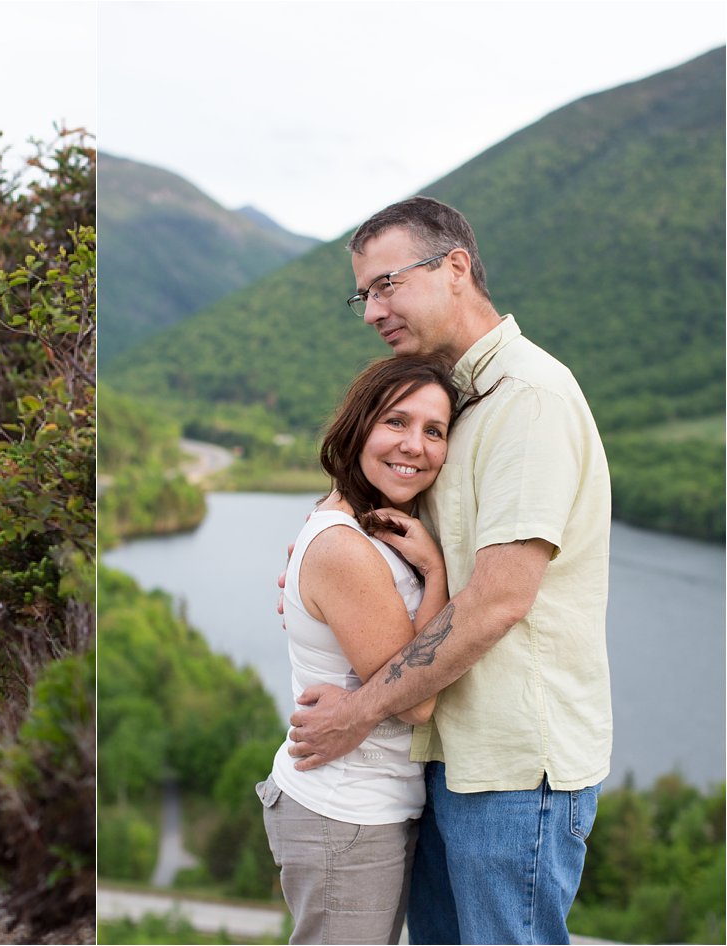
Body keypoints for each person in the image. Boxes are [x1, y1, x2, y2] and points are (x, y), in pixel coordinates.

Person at [286, 197, 612, 944]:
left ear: (456, 267)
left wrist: (358, 711)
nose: (372, 309)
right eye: (363, 293)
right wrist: (318, 548)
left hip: (513, 769)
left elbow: (500, 600)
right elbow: (377, 474)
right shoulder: (460, 395)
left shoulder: (527, 397)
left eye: (387, 284)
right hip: (447, 759)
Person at [260, 353, 476, 944]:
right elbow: (415, 704)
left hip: (365, 810)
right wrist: (435, 573)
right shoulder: (347, 547)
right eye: (396, 422)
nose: (415, 445)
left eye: (434, 431)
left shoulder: (364, 526)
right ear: (359, 427)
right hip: (344, 813)